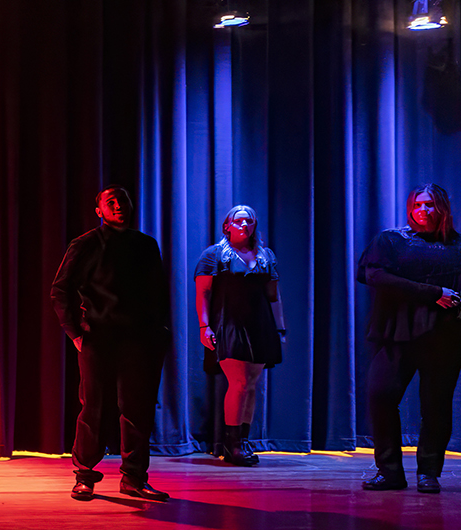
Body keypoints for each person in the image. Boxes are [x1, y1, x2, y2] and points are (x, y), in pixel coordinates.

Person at [357, 184, 461, 494]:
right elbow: (374, 275)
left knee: (435, 406)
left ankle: (429, 473)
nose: (422, 211)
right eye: (417, 205)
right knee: (381, 397)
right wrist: (434, 293)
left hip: (445, 335)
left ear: (443, 208)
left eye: (429, 205)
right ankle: (390, 472)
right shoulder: (391, 241)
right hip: (396, 332)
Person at [50, 186, 171, 502]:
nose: (118, 206)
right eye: (110, 202)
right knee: (94, 408)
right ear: (99, 210)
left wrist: (160, 333)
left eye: (123, 200)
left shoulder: (145, 245)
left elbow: (159, 294)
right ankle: (84, 477)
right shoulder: (86, 244)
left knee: (137, 410)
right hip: (98, 339)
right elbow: (60, 290)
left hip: (140, 341)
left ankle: (133, 478)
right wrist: (75, 333)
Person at [193, 205, 285, 467]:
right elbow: (203, 293)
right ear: (227, 226)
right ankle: (231, 443)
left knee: (252, 385)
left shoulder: (266, 255)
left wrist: (280, 328)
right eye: (239, 221)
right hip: (228, 323)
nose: (245, 226)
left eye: (250, 222)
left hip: (260, 324)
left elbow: (274, 295)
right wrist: (204, 326)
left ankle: (242, 440)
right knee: (239, 382)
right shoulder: (214, 255)